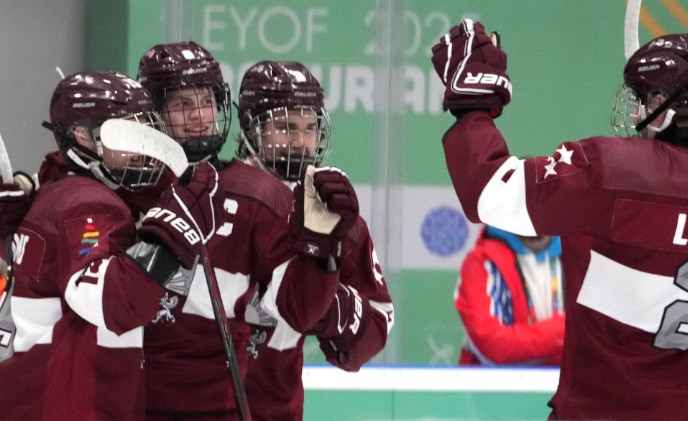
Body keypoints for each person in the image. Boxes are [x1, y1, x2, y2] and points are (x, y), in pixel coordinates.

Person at [432, 19, 688, 419]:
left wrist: (472, 106)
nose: (637, 109)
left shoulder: (616, 171)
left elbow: (490, 192)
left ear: (669, 104)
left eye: (645, 97)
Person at [137, 42, 364, 420]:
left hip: (219, 406)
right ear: (153, 111)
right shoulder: (124, 192)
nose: (199, 116)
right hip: (130, 401)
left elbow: (299, 307)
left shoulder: (258, 193)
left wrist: (322, 254)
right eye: (182, 105)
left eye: (206, 102)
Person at [0, 71, 218, 421]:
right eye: (124, 133)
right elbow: (111, 302)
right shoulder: (88, 204)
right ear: (83, 136)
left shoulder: (56, 191)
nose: (139, 148)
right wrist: (170, 236)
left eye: (143, 132)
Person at [236, 60, 394, 421]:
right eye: (285, 127)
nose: (300, 141)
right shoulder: (212, 196)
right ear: (250, 128)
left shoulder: (332, 213)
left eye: (309, 128)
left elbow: (376, 329)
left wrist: (321, 297)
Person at [454, 225, 564, 365]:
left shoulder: (583, 258)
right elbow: (494, 345)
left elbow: (596, 340)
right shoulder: (481, 261)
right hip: (494, 384)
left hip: (570, 383)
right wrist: (571, 328)